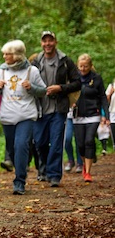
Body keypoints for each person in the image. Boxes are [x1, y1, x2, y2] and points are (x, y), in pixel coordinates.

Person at [0, 40, 47, 195]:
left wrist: (32, 88)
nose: (4, 56)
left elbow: (43, 91)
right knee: (12, 149)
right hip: (7, 115)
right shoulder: (1, 71)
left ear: (17, 55)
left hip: (26, 115)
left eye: (7, 54)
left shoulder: (32, 71)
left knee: (21, 145)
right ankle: (20, 169)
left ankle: (19, 182)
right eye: (4, 54)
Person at [31, 31, 81, 188]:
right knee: (39, 142)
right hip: (40, 109)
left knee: (56, 142)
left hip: (59, 109)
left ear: (55, 42)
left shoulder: (65, 61)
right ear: (41, 43)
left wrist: (60, 88)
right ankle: (45, 168)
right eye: (44, 41)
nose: (47, 44)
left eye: (50, 41)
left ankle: (54, 175)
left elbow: (77, 82)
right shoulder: (35, 62)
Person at [72, 54, 110, 183]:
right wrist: (70, 103)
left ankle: (88, 172)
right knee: (80, 144)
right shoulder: (74, 78)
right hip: (77, 115)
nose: (83, 69)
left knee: (89, 141)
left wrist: (106, 115)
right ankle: (84, 163)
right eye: (81, 66)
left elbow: (103, 97)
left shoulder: (96, 78)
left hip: (93, 114)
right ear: (77, 66)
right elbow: (68, 93)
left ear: (90, 66)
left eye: (86, 66)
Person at [64, 107, 83, 172]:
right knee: (67, 139)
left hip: (80, 117)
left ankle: (80, 163)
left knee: (79, 140)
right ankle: (70, 160)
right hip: (68, 116)